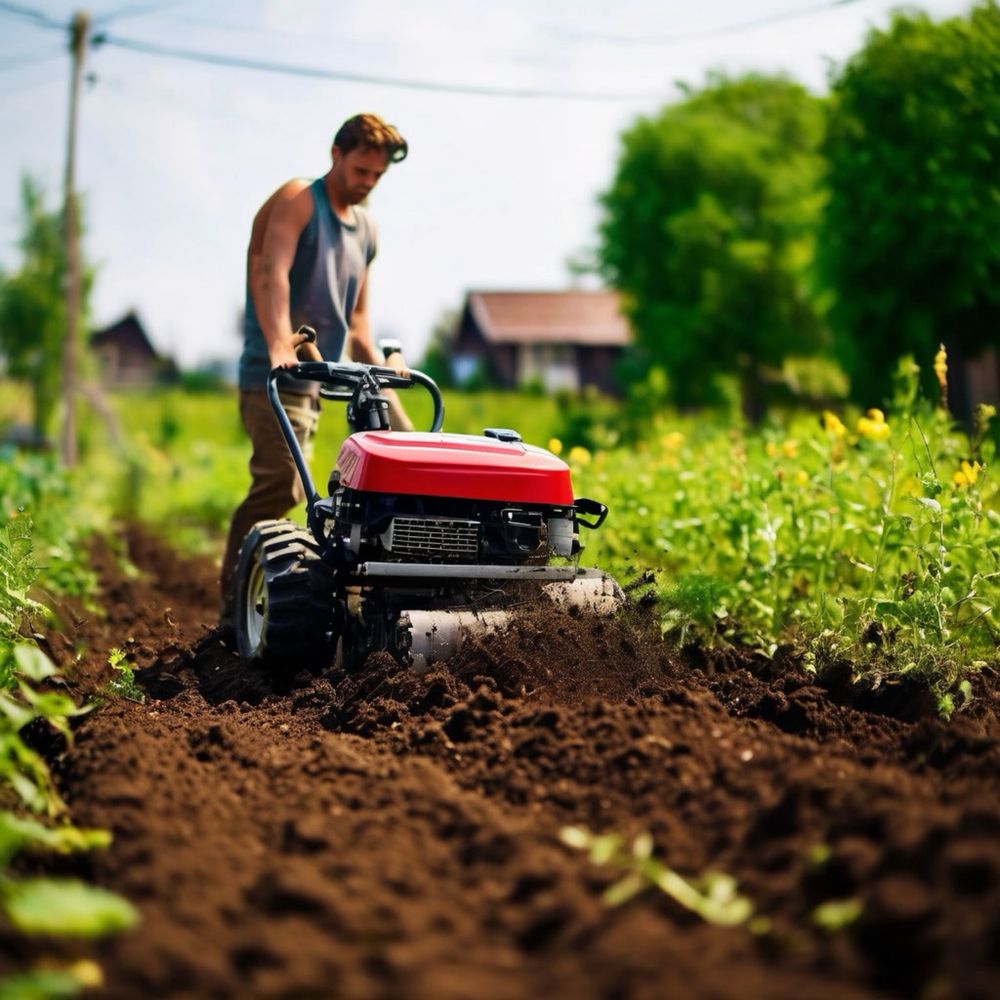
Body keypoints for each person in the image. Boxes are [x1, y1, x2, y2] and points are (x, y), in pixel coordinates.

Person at [219, 112, 411, 622]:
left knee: (382, 479)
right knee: (283, 483)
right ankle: (235, 602)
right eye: (359, 172)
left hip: (325, 378)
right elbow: (270, 271)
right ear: (336, 155)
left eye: (376, 176)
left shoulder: (366, 228)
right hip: (274, 375)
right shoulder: (299, 200)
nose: (367, 183)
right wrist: (280, 337)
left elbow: (359, 319)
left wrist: (387, 366)